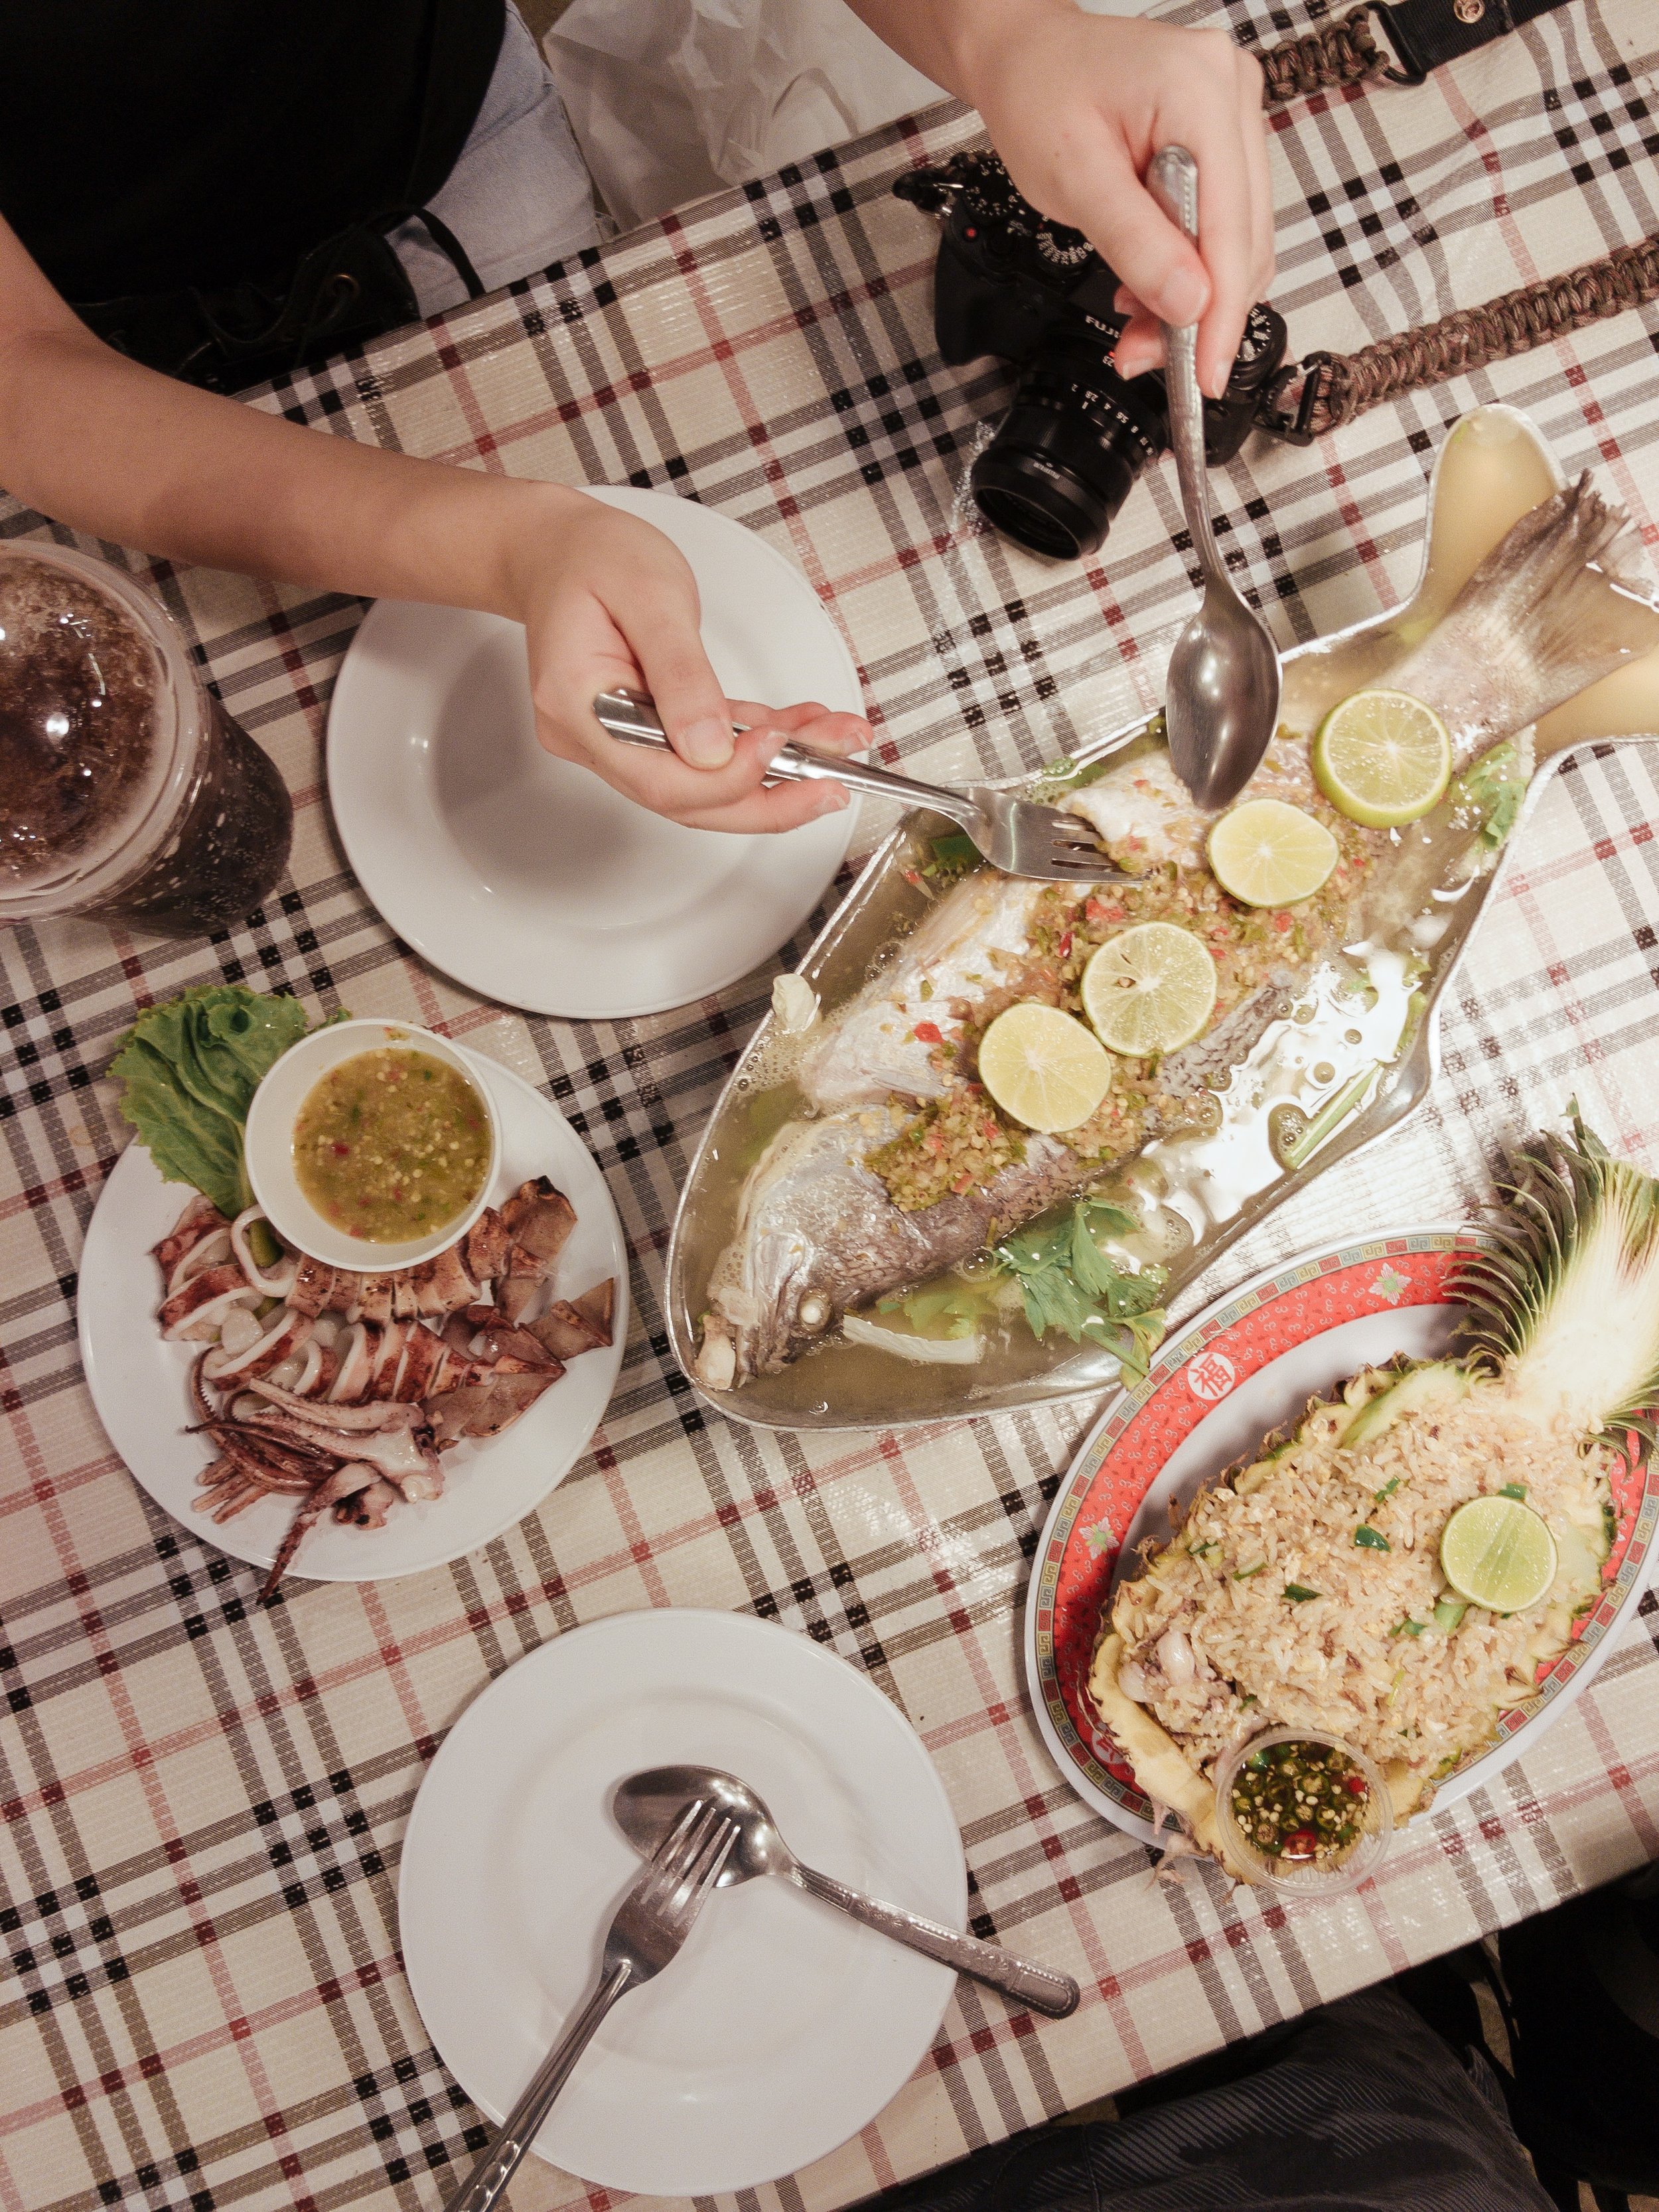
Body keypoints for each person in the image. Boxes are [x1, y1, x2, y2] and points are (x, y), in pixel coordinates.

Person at [0, 0, 1273, 838]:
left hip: (456, 158)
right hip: (104, 358)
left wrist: (1005, 34)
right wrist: (514, 547)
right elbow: (27, 377)